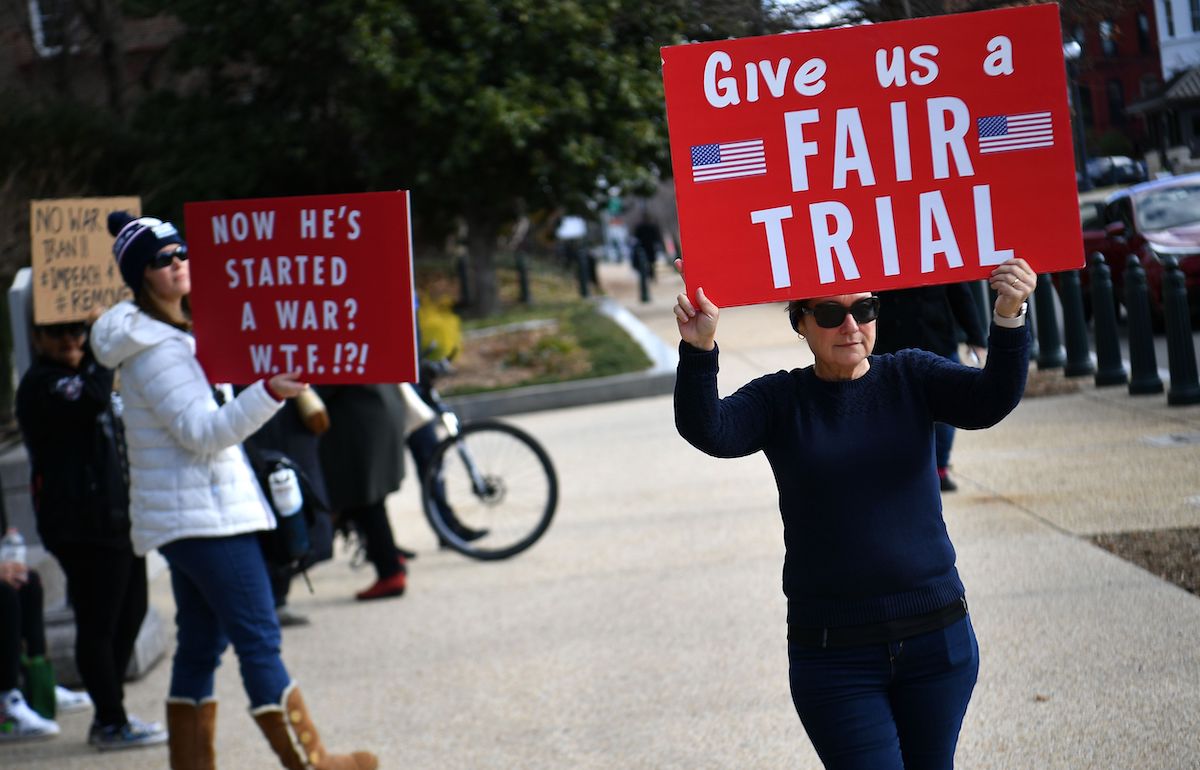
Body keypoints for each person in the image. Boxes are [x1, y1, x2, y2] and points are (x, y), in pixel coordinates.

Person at [672, 257, 1035, 770]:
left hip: (938, 640)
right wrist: (699, 346)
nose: (850, 325)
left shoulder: (911, 373)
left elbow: (991, 399)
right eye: (828, 313)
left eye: (864, 308)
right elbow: (709, 430)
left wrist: (1009, 313)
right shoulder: (781, 399)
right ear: (800, 322)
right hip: (834, 654)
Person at [90, 211, 377, 770]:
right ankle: (313, 763)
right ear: (139, 275)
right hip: (207, 519)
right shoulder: (159, 348)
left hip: (196, 514)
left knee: (200, 644)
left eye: (181, 253)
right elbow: (203, 433)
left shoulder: (174, 332)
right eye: (161, 260)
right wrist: (269, 390)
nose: (177, 264)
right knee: (259, 640)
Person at [14, 315, 164, 750]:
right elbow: (91, 399)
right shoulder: (44, 384)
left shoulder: (87, 378)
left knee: (131, 612)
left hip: (119, 518)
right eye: (57, 332)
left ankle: (110, 709)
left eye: (77, 331)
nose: (70, 340)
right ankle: (111, 720)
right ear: (37, 337)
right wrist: (103, 350)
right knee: (98, 623)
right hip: (80, 524)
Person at [872, 283, 989, 491]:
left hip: (935, 340)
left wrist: (976, 336)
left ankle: (938, 468)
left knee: (948, 411)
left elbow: (958, 291)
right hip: (895, 344)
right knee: (895, 415)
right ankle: (922, 469)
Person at [317, 385, 408, 600]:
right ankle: (390, 558)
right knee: (369, 499)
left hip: (359, 421)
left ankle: (390, 570)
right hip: (379, 409)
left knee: (364, 502)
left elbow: (325, 383)